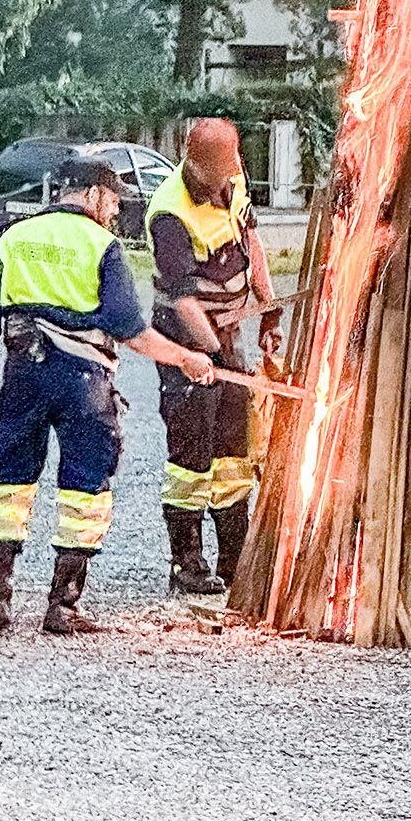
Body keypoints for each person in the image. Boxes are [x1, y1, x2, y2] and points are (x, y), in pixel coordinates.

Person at [0, 157, 214, 635]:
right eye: (114, 196)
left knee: (8, 486)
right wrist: (187, 358)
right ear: (93, 194)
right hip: (82, 380)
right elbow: (130, 331)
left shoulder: (15, 238)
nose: (117, 206)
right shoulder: (102, 245)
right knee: (84, 487)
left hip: (23, 372)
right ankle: (63, 605)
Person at [146, 118, 281, 594]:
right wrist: (205, 355)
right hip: (186, 334)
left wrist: (268, 310)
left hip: (228, 330)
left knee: (232, 450)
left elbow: (253, 242)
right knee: (191, 453)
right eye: (215, 173)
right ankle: (186, 562)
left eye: (230, 170)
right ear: (194, 162)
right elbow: (182, 299)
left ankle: (234, 557)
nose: (224, 181)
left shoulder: (235, 180)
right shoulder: (169, 213)